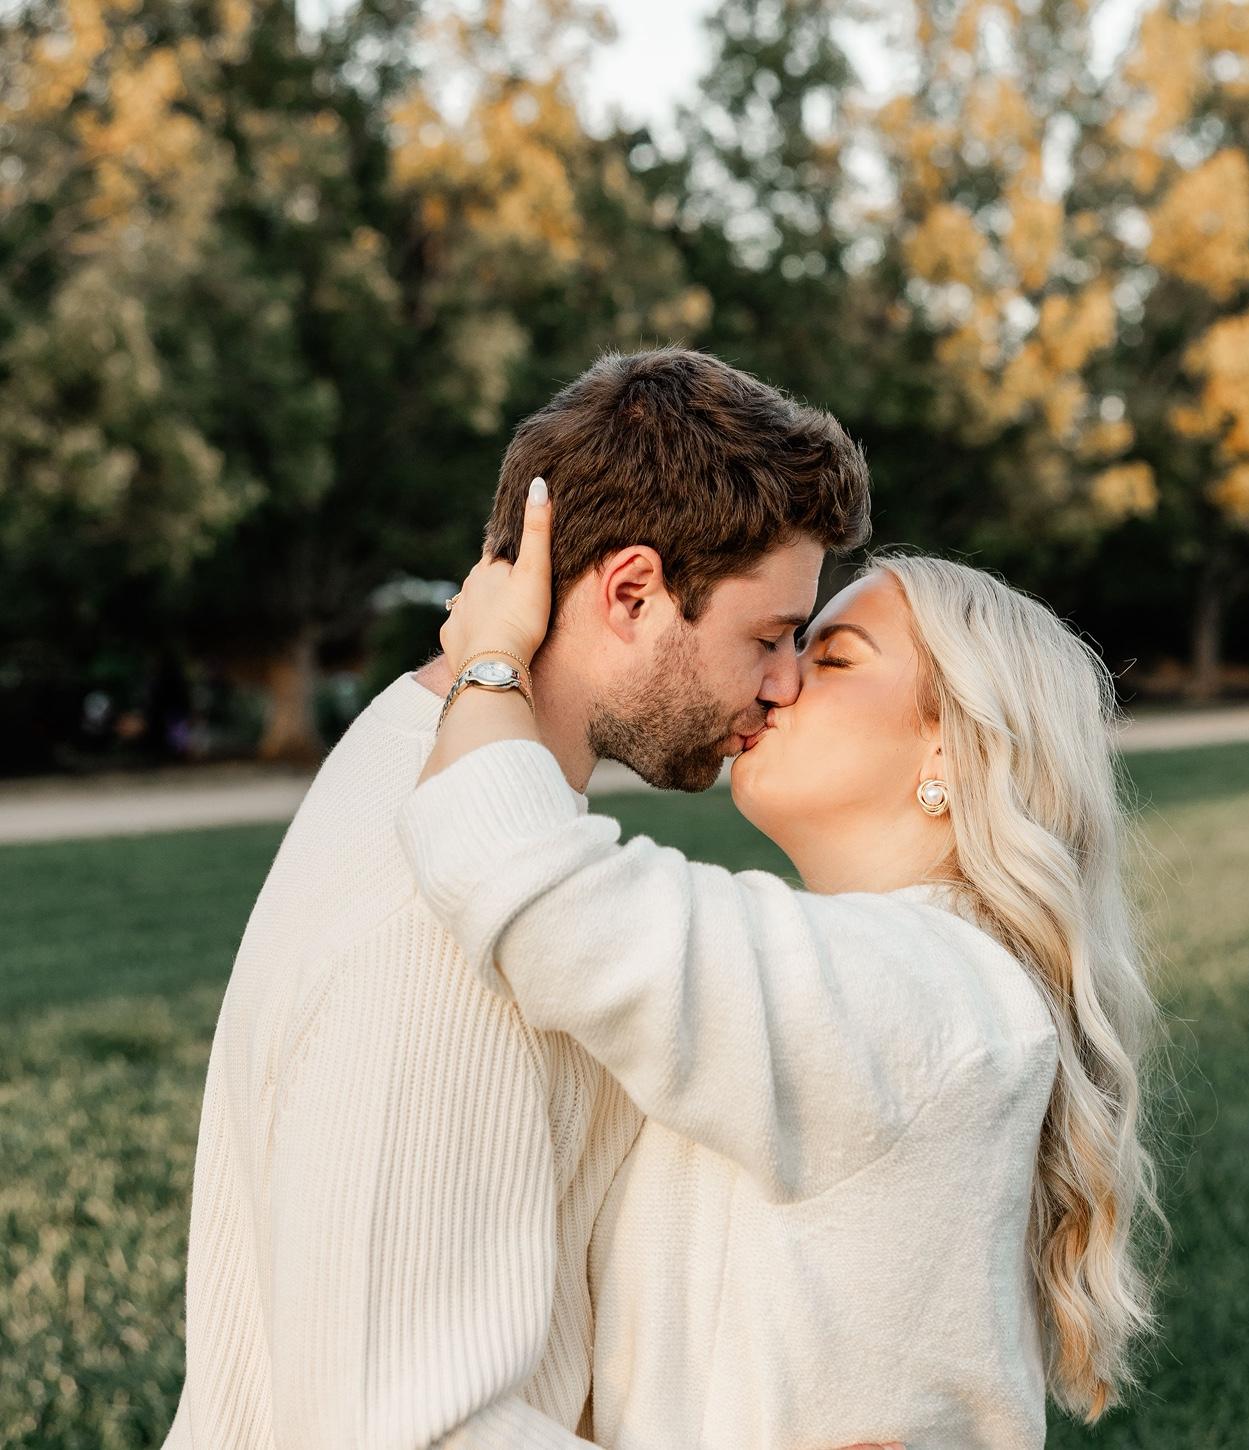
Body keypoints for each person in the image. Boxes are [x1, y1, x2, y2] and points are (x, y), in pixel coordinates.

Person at [161, 346, 893, 1449]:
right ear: (632, 593)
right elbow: (406, 1431)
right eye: (768, 635)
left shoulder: (432, 766)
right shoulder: (439, 925)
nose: (785, 681)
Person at [396, 479, 1169, 1449]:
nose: (777, 681)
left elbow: (520, 875)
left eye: (832, 657)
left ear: (953, 744)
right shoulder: (917, 980)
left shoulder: (923, 991)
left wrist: (490, 660)